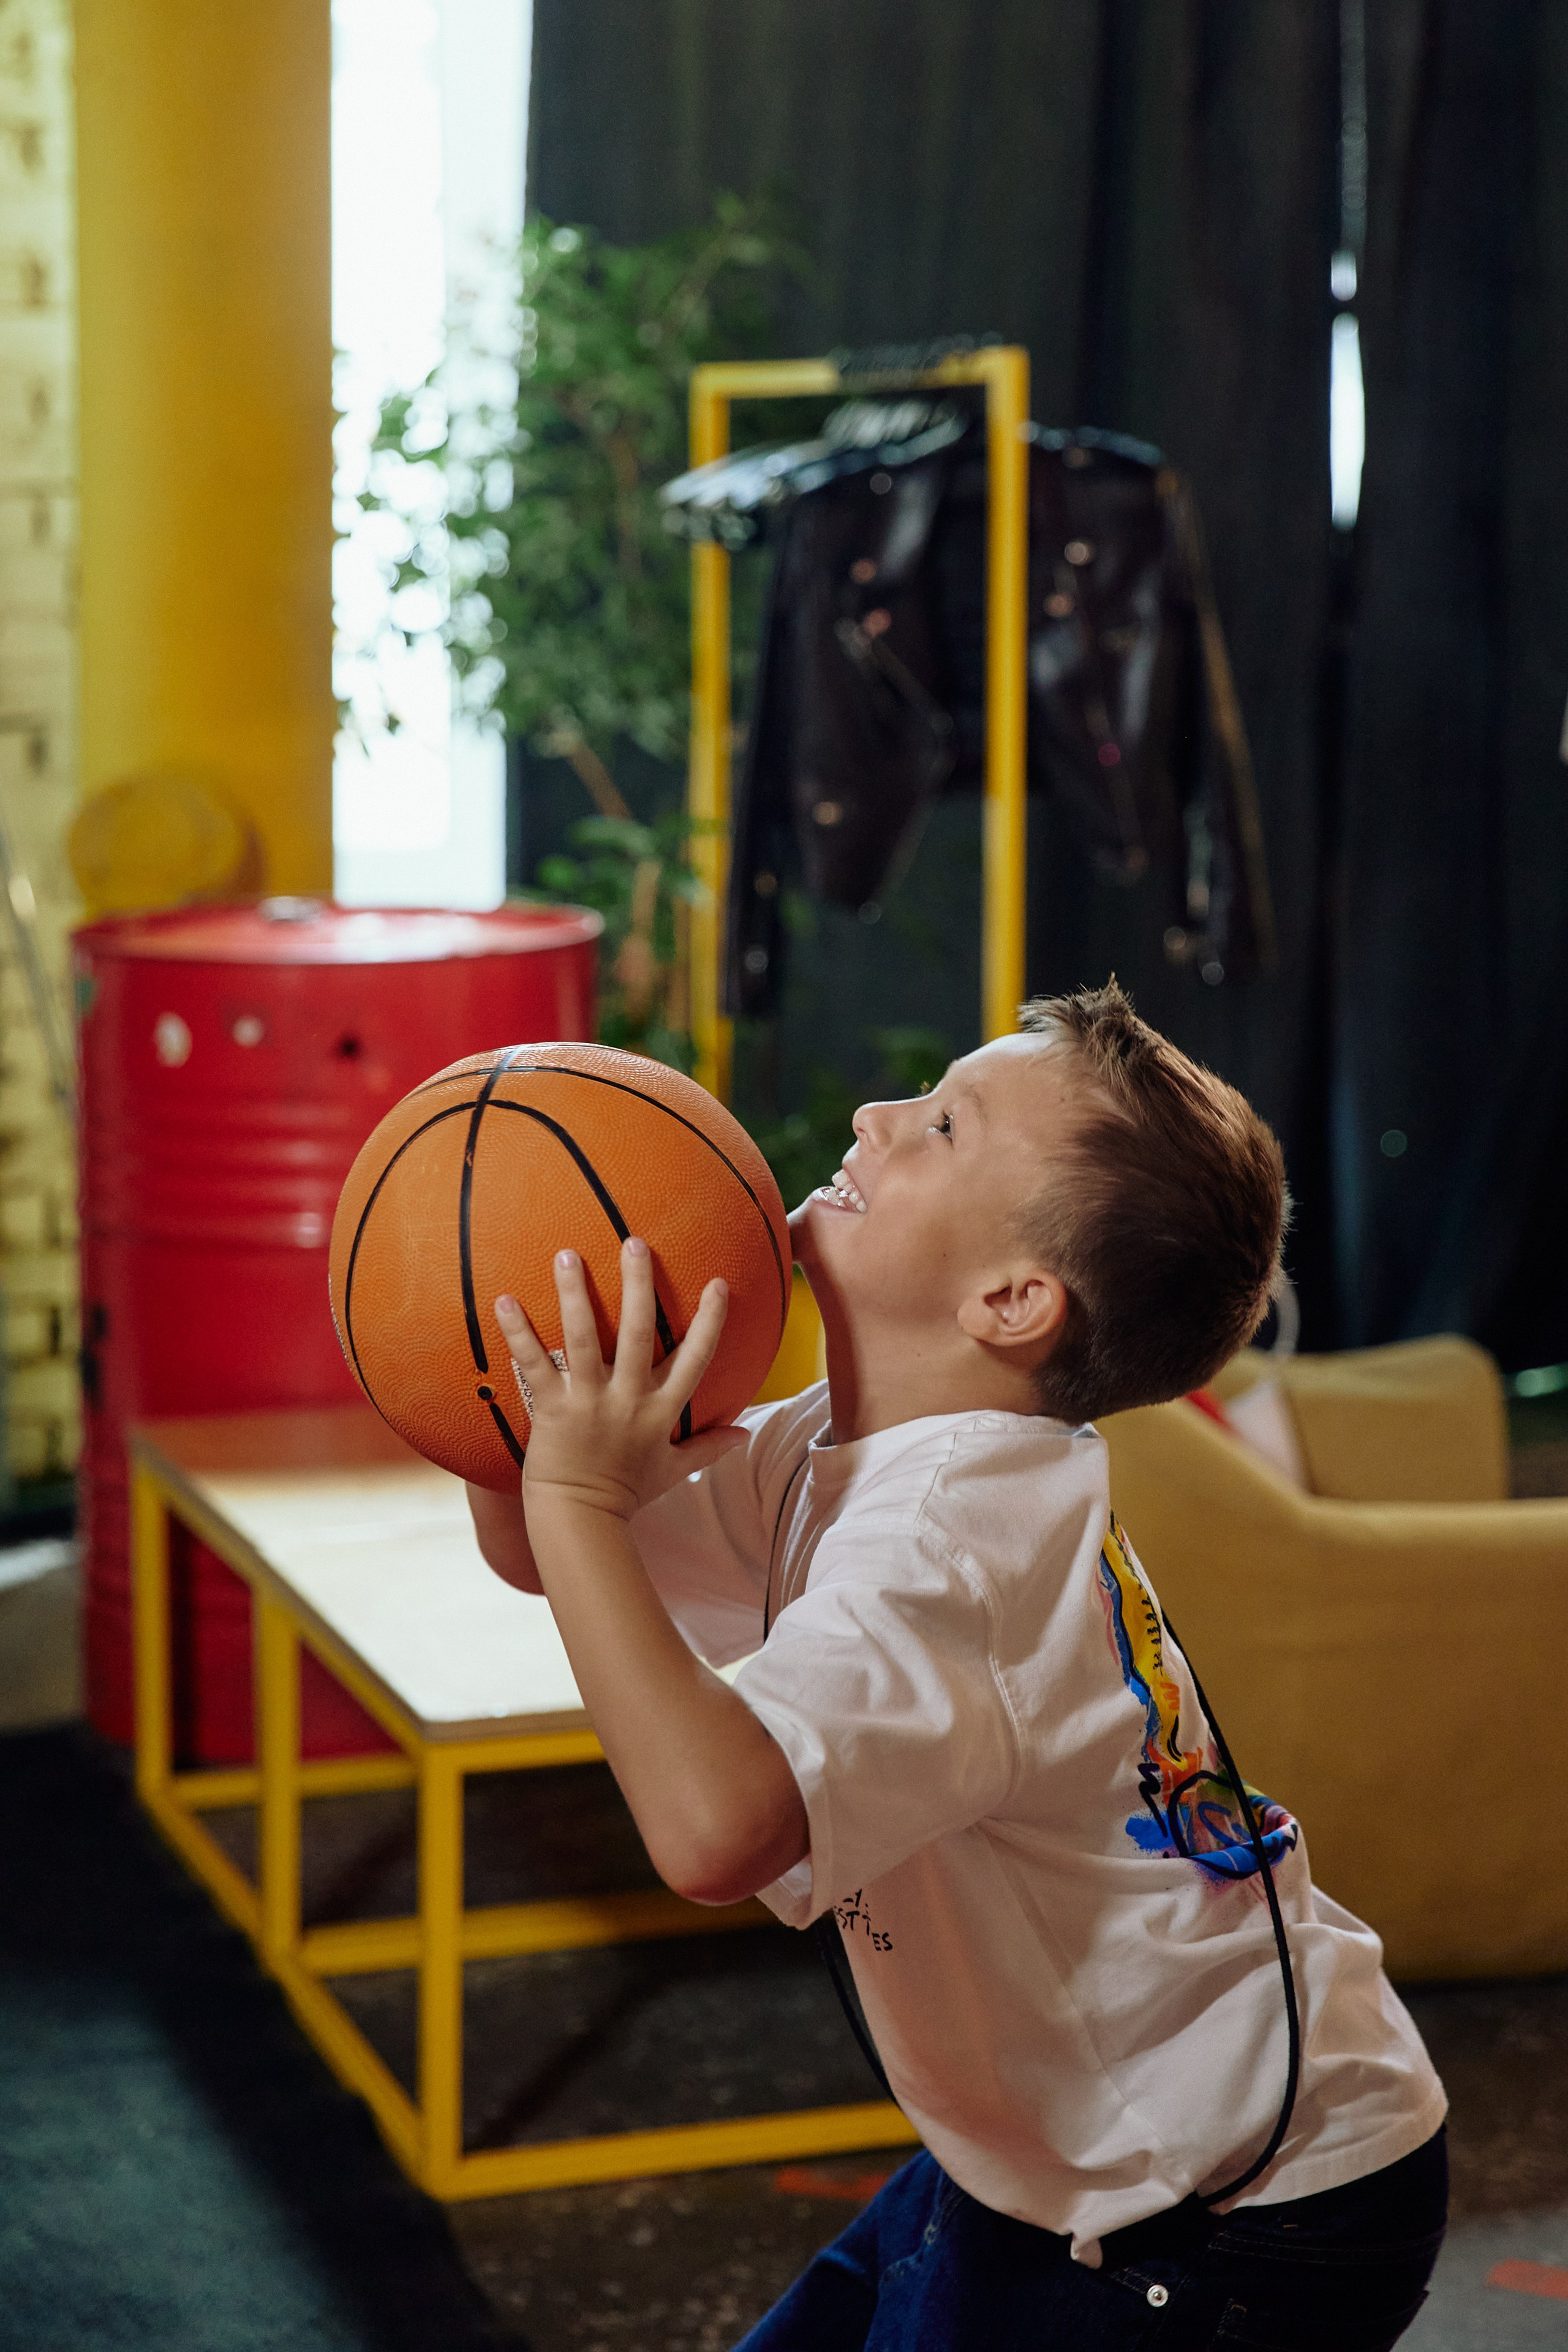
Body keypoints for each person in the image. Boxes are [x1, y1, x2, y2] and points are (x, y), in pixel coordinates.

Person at [467, 982, 1448, 2350]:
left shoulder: (952, 1549)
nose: (870, 1117)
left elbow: (711, 1826)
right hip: (1068, 2151)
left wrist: (573, 1496)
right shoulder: (837, 1445)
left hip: (1237, 2214)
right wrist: (495, 1375)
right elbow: (548, 1553)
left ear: (1010, 1299)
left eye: (935, 1124)